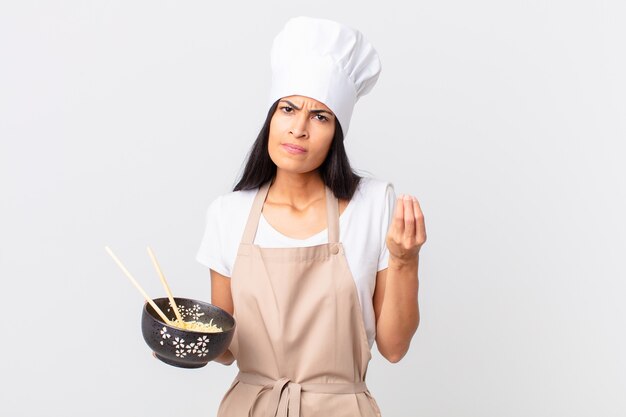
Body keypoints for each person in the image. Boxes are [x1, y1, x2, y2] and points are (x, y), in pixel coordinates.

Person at [196, 16, 426, 417]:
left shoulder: (373, 204)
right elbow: (227, 351)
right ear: (271, 117)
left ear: (336, 132)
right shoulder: (227, 213)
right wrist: (184, 336)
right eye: (288, 109)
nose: (298, 129)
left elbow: (393, 347)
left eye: (320, 116)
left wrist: (406, 261)